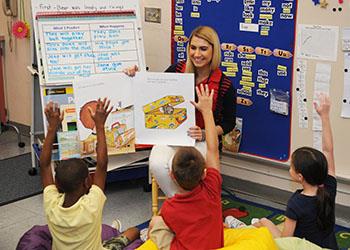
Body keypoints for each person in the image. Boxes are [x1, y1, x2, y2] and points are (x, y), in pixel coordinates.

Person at [125, 25, 236, 197]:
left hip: (202, 141)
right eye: (193, 48)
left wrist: (206, 133)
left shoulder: (224, 85)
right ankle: (179, 202)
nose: (197, 54)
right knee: (157, 163)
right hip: (173, 136)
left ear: (214, 51)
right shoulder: (177, 70)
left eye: (203, 49)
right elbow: (154, 91)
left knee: (190, 169)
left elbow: (229, 123)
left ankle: (186, 206)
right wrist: (137, 77)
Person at [40, 99, 139, 250]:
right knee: (134, 232)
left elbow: (45, 165)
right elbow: (102, 164)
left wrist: (52, 127)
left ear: (57, 184)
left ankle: (111, 232)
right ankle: (115, 233)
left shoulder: (51, 204)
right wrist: (100, 125)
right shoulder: (91, 205)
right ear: (87, 182)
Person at [253, 93, 338, 249]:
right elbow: (328, 150)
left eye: (291, 166)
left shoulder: (296, 203)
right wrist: (325, 116)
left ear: (300, 176)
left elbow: (285, 241)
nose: (289, 168)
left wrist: (266, 223)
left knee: (265, 226)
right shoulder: (329, 187)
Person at [145, 84, 224, 249]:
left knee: (156, 222)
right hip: (214, 245)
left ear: (172, 176)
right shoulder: (212, 187)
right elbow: (212, 150)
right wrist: (207, 111)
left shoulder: (169, 208)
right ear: (204, 173)